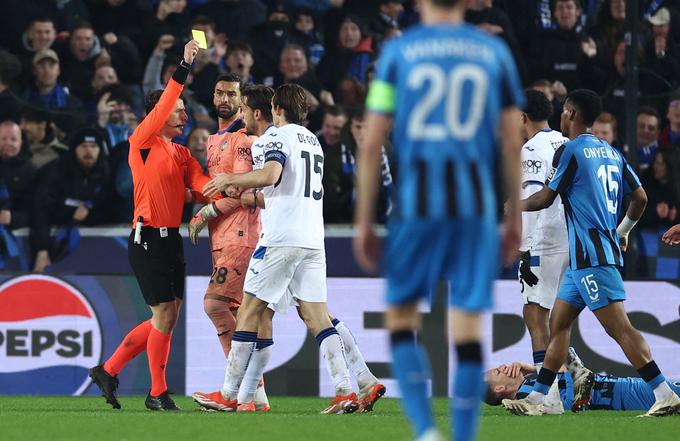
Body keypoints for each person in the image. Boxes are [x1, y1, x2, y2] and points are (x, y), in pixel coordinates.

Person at [353, 0, 525, 439]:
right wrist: (515, 221)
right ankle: (463, 437)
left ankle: (427, 431)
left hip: (417, 205)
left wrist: (364, 222)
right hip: (475, 208)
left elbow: (371, 145)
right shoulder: (494, 53)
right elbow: (511, 145)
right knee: (467, 332)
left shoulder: (397, 53)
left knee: (402, 321)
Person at [500, 89, 680, 417]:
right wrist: (622, 231)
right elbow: (640, 197)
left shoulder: (573, 151)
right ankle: (541, 399)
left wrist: (515, 207)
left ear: (570, 112)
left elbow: (545, 197)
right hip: (581, 258)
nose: (563, 115)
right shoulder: (611, 152)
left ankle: (664, 392)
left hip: (591, 257)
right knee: (558, 325)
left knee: (620, 329)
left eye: (566, 111)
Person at [199, 83, 360, 414]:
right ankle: (345, 390)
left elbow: (271, 175)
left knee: (249, 312)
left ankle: (229, 394)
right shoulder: (312, 140)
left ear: (276, 108)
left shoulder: (276, 137)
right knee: (317, 317)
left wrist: (231, 179)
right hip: (313, 239)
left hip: (281, 238)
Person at [88, 39, 207, 412]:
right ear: (159, 111)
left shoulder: (183, 153)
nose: (184, 116)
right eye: (178, 110)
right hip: (147, 238)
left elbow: (200, 184)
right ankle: (157, 392)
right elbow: (169, 97)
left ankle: (107, 370)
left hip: (171, 241)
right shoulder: (141, 139)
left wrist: (225, 191)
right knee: (163, 317)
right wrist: (184, 67)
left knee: (166, 318)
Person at [186, 78, 269, 407]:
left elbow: (240, 192)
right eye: (219, 92)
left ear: (242, 100)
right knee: (239, 312)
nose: (224, 98)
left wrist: (205, 211)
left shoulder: (243, 138)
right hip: (222, 237)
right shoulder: (213, 139)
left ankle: (238, 392)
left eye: (231, 94)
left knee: (215, 304)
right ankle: (255, 396)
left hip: (240, 235)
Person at [517, 89, 570, 413]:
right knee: (559, 319)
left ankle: (547, 397)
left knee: (535, 314)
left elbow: (535, 198)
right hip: (569, 237)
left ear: (521, 117)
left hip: (545, 238)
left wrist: (525, 249)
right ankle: (563, 387)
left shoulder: (532, 148)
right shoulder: (564, 141)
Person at [485, 347, 680, 412]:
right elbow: (570, 404)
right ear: (500, 388)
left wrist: (532, 368)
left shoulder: (531, 386)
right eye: (496, 371)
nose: (502, 366)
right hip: (625, 396)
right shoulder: (525, 395)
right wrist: (572, 368)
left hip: (624, 389)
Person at [30, 128, 112, 273]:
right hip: (54, 243)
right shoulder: (55, 171)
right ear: (74, 149)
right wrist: (42, 250)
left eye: (93, 146)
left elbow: (111, 209)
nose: (88, 151)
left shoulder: (107, 174)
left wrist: (90, 214)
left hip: (96, 250)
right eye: (83, 146)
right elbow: (41, 211)